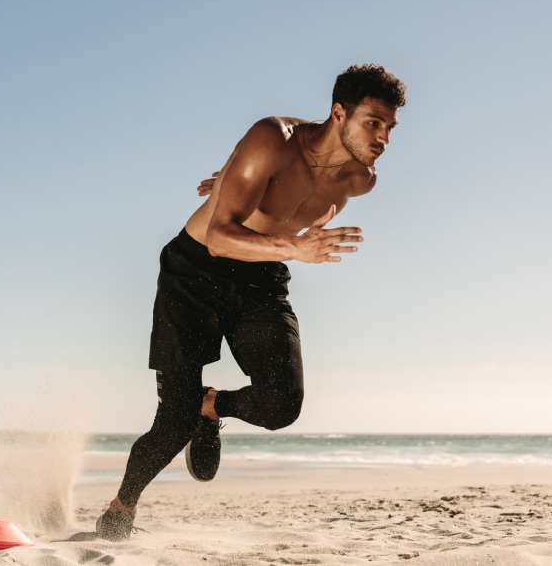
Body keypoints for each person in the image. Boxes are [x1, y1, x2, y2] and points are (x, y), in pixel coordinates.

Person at [96, 64, 406, 540]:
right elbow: (220, 236)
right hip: (194, 271)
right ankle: (122, 505)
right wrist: (291, 238)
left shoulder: (361, 179)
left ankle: (212, 408)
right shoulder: (272, 137)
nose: (383, 137)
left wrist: (243, 181)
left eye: (390, 127)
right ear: (339, 111)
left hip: (260, 279)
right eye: (373, 122)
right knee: (171, 424)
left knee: (282, 404)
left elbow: (286, 198)